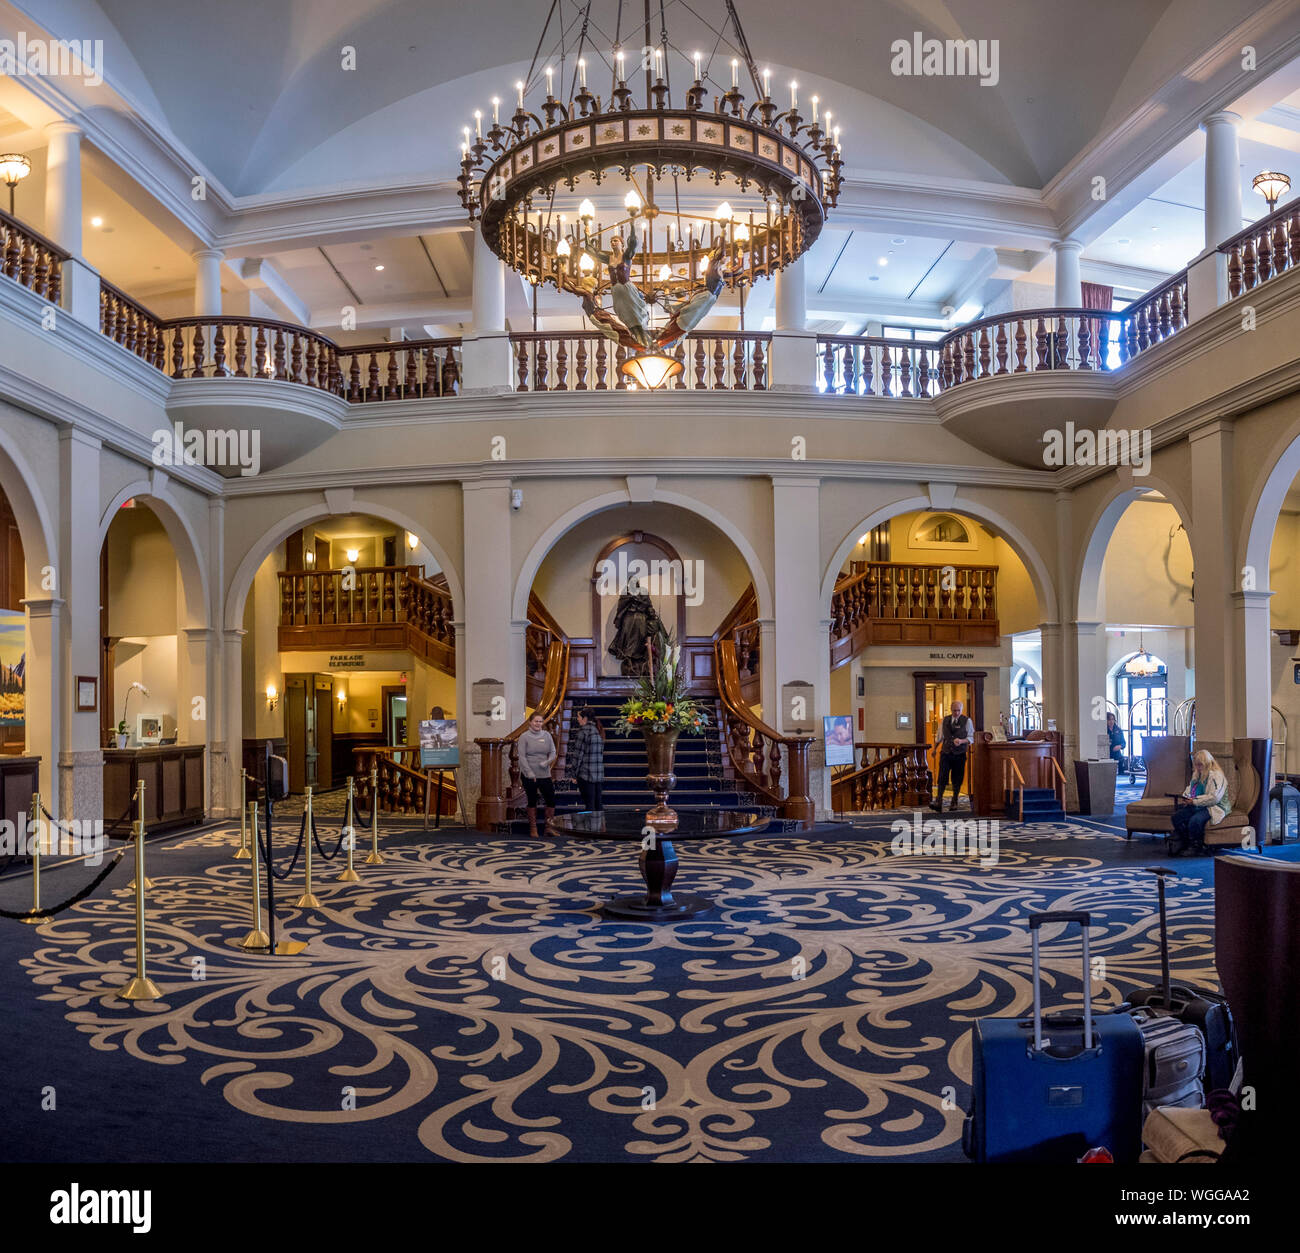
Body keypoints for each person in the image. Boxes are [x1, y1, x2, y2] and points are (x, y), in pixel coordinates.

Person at [1169, 748, 1228, 856]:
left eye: (1200, 765)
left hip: (1214, 806)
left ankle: (1196, 846)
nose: (1197, 767)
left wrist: (1194, 801)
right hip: (1197, 804)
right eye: (1196, 765)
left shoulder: (1216, 776)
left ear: (1207, 763)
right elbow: (1190, 788)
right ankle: (1185, 841)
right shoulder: (1197, 774)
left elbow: (1214, 797)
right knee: (1176, 817)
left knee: (1195, 821)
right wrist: (1186, 797)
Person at [931, 700, 975, 813]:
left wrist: (961, 741)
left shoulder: (967, 721)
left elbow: (971, 738)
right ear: (951, 710)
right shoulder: (945, 720)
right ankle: (938, 801)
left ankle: (954, 801)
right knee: (942, 776)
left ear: (961, 710)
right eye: (954, 710)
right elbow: (939, 737)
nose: (956, 713)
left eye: (958, 710)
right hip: (946, 753)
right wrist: (935, 749)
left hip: (959, 754)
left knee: (957, 778)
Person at [518, 712, 557, 837]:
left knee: (551, 799)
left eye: (540, 721)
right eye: (536, 721)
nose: (538, 724)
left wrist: (547, 762)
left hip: (544, 773)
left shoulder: (547, 735)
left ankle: (549, 828)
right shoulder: (524, 737)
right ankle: (533, 828)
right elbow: (522, 757)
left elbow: (553, 752)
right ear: (530, 722)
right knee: (532, 800)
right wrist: (529, 773)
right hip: (529, 773)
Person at [568, 706, 605, 813]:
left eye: (579, 717)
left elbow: (577, 755)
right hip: (598, 775)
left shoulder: (583, 732)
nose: (577, 719)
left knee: (589, 806)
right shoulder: (598, 731)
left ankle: (591, 829)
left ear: (585, 718)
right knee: (598, 805)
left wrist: (574, 774)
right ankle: (600, 828)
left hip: (586, 775)